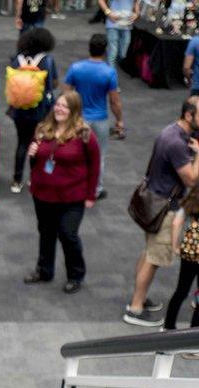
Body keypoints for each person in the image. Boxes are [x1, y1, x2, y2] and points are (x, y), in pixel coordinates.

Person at [125, 97, 199, 326]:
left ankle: (139, 298)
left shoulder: (171, 132)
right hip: (164, 207)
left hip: (153, 201)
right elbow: (192, 178)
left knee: (148, 252)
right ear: (189, 115)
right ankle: (135, 308)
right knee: (154, 258)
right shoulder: (177, 143)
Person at [23, 91, 99, 294]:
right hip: (43, 193)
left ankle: (75, 275)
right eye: (57, 104)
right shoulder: (42, 129)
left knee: (68, 234)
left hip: (72, 197)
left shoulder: (84, 134)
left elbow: (94, 165)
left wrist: (91, 195)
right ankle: (44, 270)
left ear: (74, 110)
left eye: (65, 106)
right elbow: (35, 161)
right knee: (46, 233)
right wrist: (32, 155)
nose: (59, 109)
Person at [64, 33, 122, 198]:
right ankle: (96, 189)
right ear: (105, 51)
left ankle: (74, 186)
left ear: (89, 48)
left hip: (79, 118)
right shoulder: (109, 72)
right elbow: (114, 101)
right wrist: (119, 120)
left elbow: (67, 94)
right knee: (99, 155)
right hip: (100, 120)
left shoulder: (76, 68)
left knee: (75, 152)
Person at [8, 28, 57, 193]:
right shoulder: (47, 61)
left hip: (18, 110)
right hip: (39, 110)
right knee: (36, 143)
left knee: (21, 143)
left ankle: (16, 180)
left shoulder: (17, 59)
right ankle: (33, 178)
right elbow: (52, 85)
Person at [164, 188, 199, 330]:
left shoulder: (192, 197)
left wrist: (175, 246)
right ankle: (194, 333)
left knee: (181, 290)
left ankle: (168, 326)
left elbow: (176, 223)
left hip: (189, 250)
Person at [99, 0, 139, 68]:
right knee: (113, 53)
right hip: (113, 24)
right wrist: (108, 13)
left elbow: (136, 2)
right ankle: (110, 74)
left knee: (122, 54)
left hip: (127, 25)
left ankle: (109, 60)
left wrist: (137, 13)